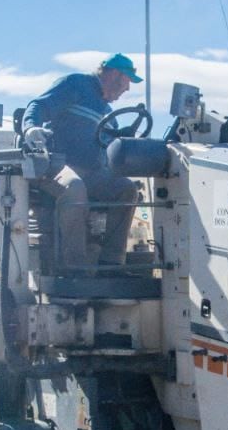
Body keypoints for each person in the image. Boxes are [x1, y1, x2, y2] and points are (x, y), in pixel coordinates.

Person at [22, 53, 142, 269]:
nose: (127, 89)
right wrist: (30, 127)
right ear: (114, 74)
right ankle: (74, 267)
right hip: (55, 165)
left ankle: (111, 262)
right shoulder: (75, 85)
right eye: (127, 82)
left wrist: (123, 135)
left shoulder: (107, 111)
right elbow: (38, 106)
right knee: (74, 188)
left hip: (91, 172)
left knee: (126, 189)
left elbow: (105, 141)